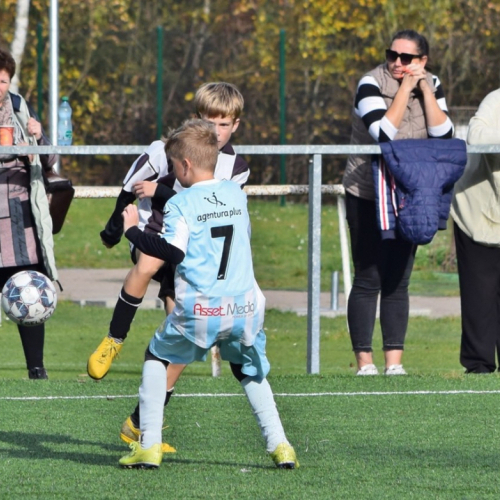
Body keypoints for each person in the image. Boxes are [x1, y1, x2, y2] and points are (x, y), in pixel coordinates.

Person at [118, 118, 298, 469]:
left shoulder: (180, 204)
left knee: (156, 356)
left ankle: (149, 446)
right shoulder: (235, 193)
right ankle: (281, 445)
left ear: (185, 165)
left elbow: (172, 251)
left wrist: (132, 231)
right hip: (245, 307)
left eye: (174, 166)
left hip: (202, 308)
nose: (173, 172)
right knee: (248, 370)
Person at [88, 82, 249, 450]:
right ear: (194, 118)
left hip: (195, 253)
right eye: (208, 121)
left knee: (184, 332)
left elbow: (208, 204)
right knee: (148, 261)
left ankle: (141, 423)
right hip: (155, 233)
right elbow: (129, 189)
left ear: (236, 125)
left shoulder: (236, 167)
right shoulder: (165, 150)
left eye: (223, 124)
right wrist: (113, 230)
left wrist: (161, 191)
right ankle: (114, 339)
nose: (215, 131)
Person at [342, 30, 454, 376]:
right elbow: (382, 133)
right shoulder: (370, 83)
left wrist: (425, 89)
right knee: (368, 277)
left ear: (423, 61)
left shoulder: (432, 83)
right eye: (392, 55)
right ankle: (365, 363)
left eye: (406, 58)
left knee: (398, 280)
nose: (397, 63)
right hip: (367, 193)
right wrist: (405, 87)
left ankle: (394, 364)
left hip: (409, 194)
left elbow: (444, 136)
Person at [0, 48, 58, 379]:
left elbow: (50, 161)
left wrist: (37, 139)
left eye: (3, 80)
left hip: (20, 218)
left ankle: (36, 368)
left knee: (29, 293)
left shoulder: (20, 108)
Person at [450, 89, 500, 373]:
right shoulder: (495, 100)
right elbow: (476, 136)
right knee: (479, 296)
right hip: (477, 212)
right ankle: (479, 365)